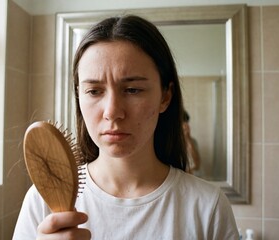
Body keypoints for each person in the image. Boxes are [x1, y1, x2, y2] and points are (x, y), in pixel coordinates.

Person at [13, 15, 239, 240]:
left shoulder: (208, 207)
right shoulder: (42, 202)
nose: (112, 111)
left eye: (132, 90)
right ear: (78, 97)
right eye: (94, 91)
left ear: (165, 97)